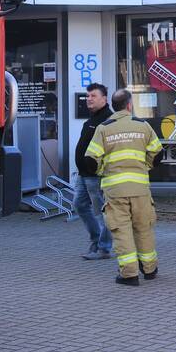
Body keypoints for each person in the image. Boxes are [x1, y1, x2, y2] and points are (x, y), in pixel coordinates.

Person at [84, 89, 164, 286]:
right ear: (129, 105)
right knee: (143, 228)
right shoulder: (143, 125)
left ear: (114, 105)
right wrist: (145, 166)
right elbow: (158, 154)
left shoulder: (104, 128)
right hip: (140, 189)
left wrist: (103, 169)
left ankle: (129, 274)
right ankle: (150, 269)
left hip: (115, 190)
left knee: (122, 232)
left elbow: (90, 161)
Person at [74, 82, 113, 259]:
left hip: (96, 175)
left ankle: (104, 248)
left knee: (101, 213)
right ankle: (96, 239)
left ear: (104, 99)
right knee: (80, 205)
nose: (88, 99)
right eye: (87, 96)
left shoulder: (107, 120)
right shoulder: (91, 120)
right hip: (83, 175)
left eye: (93, 96)